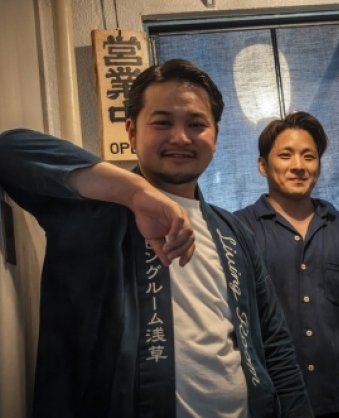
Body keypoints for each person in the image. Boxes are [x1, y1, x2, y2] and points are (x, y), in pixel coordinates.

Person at [0, 59, 313, 417]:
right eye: (162, 122)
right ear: (132, 131)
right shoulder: (95, 210)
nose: (180, 137)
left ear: (215, 135)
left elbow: (274, 344)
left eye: (196, 124)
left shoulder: (234, 231)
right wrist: (135, 192)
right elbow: (9, 151)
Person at [234, 111, 339, 418]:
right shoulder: (239, 230)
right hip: (272, 406)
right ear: (262, 165)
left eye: (309, 156)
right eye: (285, 155)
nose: (298, 165)